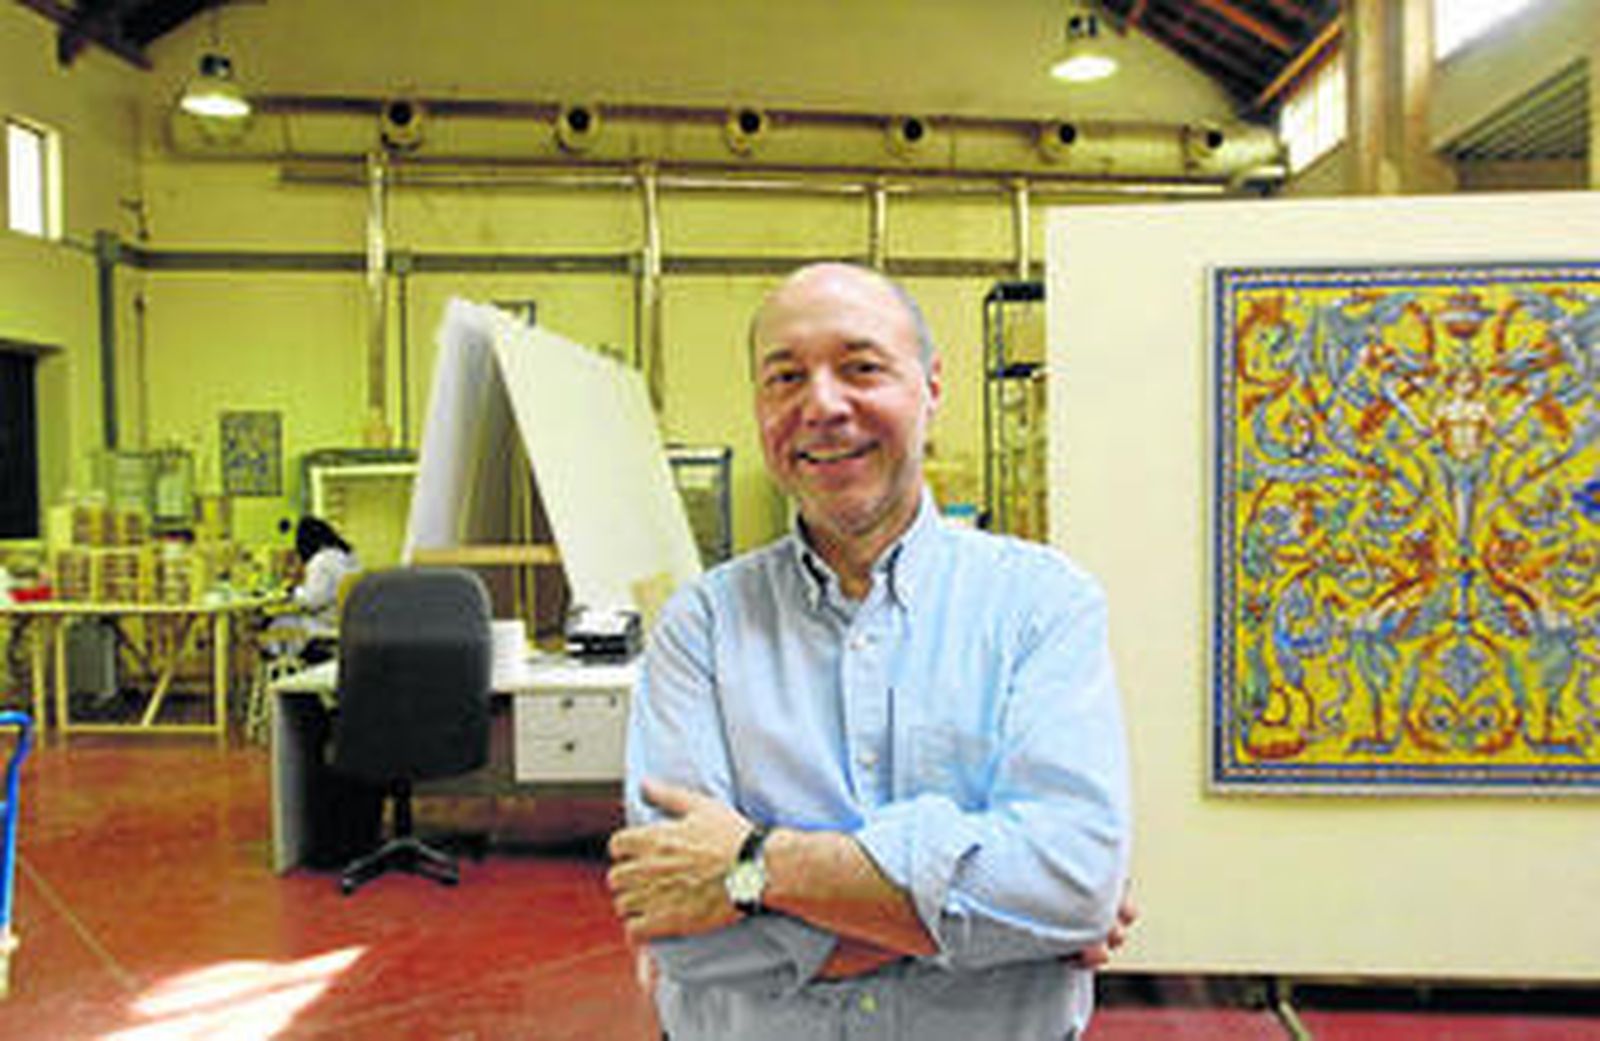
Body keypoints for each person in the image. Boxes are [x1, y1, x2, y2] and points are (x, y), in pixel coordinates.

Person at [607, 263, 1134, 1040]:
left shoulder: (1043, 605)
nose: (821, 405)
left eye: (861, 367)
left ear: (931, 386)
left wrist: (750, 865)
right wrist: (988, 919)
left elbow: (1069, 885)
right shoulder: (701, 627)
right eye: (785, 377)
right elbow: (685, 935)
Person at [264, 516, 361, 663]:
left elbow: (312, 600)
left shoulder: (320, 561)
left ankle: (280, 671)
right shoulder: (349, 557)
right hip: (346, 621)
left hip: (324, 624)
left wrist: (294, 592)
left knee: (273, 624)